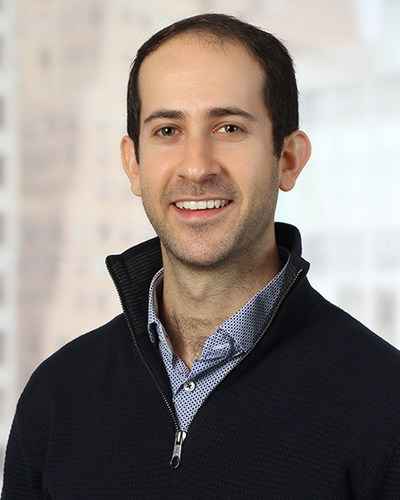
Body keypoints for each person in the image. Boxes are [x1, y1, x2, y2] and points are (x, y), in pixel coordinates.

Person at [2, 13, 400, 499]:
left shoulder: (385, 403)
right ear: (134, 163)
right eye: (167, 130)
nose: (196, 167)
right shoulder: (56, 395)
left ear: (288, 159)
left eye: (229, 127)